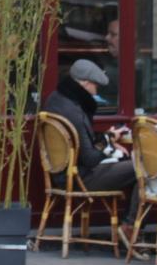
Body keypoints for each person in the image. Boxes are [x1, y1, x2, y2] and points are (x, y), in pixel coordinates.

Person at [43, 58, 136, 197]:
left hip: (61, 175)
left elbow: (78, 140)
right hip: (80, 178)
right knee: (144, 166)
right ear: (86, 83)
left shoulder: (55, 99)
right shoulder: (75, 112)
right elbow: (90, 159)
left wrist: (108, 137)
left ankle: (131, 217)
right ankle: (132, 218)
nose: (95, 93)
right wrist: (108, 142)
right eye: (96, 86)